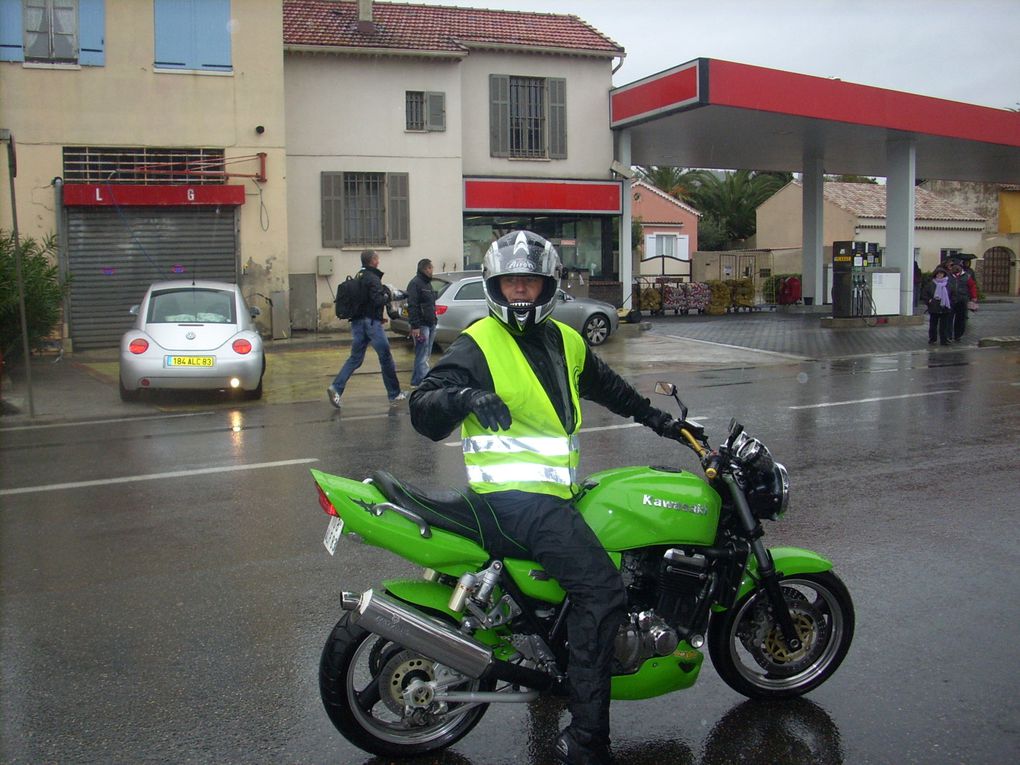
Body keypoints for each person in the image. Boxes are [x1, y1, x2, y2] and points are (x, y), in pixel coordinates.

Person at [409, 231, 687, 765]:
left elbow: (609, 387)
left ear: (547, 287)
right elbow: (423, 406)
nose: (519, 292)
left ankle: (554, 662)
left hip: (553, 495)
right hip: (515, 500)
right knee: (603, 594)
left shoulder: (566, 340)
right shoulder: (480, 342)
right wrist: (465, 395)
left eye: (529, 282)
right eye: (510, 281)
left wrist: (658, 420)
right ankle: (586, 744)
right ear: (495, 285)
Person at [327, 250, 407, 408]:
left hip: (357, 323)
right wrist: (388, 296)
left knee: (355, 358)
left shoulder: (359, 276)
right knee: (385, 357)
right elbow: (377, 300)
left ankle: (336, 388)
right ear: (373, 261)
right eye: (377, 258)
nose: (379, 261)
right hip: (371, 325)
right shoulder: (373, 278)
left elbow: (363, 301)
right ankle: (395, 393)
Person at [405, 258, 438, 387]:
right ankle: (425, 383)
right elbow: (412, 305)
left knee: (426, 354)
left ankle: (416, 381)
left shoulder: (428, 284)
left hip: (431, 323)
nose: (431, 270)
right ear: (424, 269)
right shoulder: (415, 284)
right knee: (422, 354)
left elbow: (430, 304)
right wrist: (415, 326)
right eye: (430, 268)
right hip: (422, 325)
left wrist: (434, 320)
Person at [921, 264, 955, 346]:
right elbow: (925, 294)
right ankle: (932, 339)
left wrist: (950, 302)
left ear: (944, 274)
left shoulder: (948, 284)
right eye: (938, 273)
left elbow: (953, 294)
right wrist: (929, 301)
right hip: (934, 308)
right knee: (933, 325)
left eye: (941, 273)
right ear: (935, 274)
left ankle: (944, 340)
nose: (940, 275)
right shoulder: (931, 284)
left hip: (945, 308)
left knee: (944, 326)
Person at [948, 258, 978, 342]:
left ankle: (958, 335)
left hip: (962, 300)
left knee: (961, 319)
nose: (956, 268)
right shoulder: (948, 276)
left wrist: (974, 297)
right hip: (951, 300)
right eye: (954, 267)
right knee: (948, 319)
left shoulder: (967, 276)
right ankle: (948, 335)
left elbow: (972, 287)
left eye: (958, 267)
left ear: (961, 268)